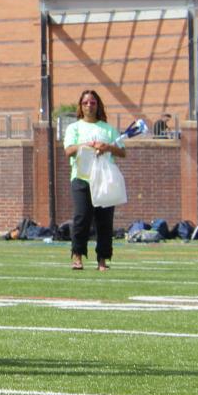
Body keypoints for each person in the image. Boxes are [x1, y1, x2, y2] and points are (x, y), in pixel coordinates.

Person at [63, 89, 125, 272]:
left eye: (93, 103)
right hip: (82, 178)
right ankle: (77, 255)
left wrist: (108, 147)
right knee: (82, 217)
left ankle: (102, 259)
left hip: (104, 179)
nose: (89, 106)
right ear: (80, 107)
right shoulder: (74, 128)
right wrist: (85, 146)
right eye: (85, 103)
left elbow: (122, 152)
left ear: (98, 106)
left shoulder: (108, 129)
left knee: (104, 221)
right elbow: (68, 150)